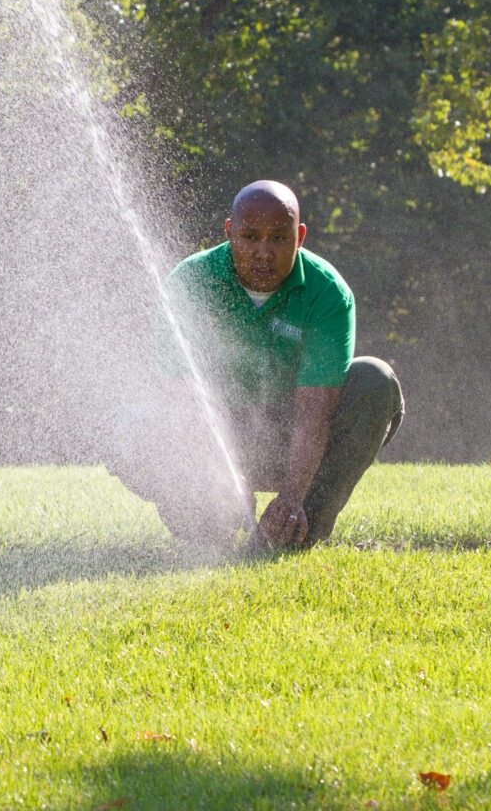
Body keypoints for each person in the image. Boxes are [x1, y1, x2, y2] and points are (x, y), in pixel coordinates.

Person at [110, 179, 404, 552]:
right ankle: (208, 530)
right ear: (230, 233)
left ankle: (296, 532)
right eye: (250, 237)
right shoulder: (190, 282)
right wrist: (221, 484)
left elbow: (315, 412)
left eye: (279, 238)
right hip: (219, 436)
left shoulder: (327, 291)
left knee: (375, 380)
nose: (263, 252)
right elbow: (186, 406)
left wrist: (293, 497)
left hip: (294, 439)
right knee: (128, 428)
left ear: (299, 236)